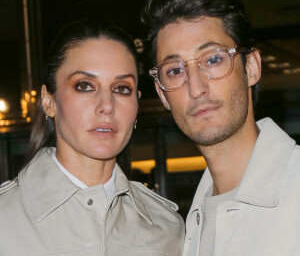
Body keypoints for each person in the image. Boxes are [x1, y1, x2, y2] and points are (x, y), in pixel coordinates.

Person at [0, 20, 184, 255]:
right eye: (85, 86)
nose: (106, 105)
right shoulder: (5, 221)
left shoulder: (168, 229)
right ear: (49, 101)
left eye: (122, 88)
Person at [142, 0, 300, 256]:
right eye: (175, 70)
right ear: (162, 94)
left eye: (213, 59)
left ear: (250, 68)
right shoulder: (186, 230)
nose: (196, 87)